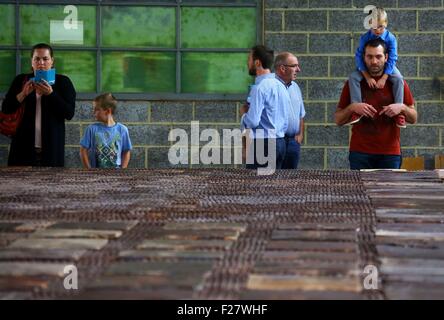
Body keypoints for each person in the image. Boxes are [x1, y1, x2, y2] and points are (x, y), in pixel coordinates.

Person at [335, 39, 417, 170]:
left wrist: (401, 107)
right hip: (359, 153)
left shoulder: (398, 83)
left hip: (390, 153)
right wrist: (353, 107)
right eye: (370, 57)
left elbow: (413, 118)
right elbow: (338, 120)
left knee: (389, 190)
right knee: (358, 190)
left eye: (378, 56)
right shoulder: (353, 83)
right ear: (363, 58)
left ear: (386, 57)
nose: (374, 61)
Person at [1, 43, 76, 166]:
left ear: (52, 61)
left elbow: (69, 113)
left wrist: (51, 94)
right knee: (20, 184)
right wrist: (23, 94)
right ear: (32, 62)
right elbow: (6, 109)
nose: (41, 63)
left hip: (51, 149)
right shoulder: (21, 80)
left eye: (45, 59)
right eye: (37, 59)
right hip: (22, 148)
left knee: (50, 184)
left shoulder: (63, 82)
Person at [347, 7, 406, 128]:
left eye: (381, 27)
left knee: (399, 78)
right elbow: (359, 57)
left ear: (386, 24)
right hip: (367, 66)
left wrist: (384, 77)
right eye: (374, 27)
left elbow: (393, 58)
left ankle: (399, 112)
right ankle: (357, 110)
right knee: (353, 77)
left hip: (387, 66)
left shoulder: (391, 38)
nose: (377, 30)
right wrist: (367, 76)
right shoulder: (365, 38)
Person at [240, 45, 291, 170]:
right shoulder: (281, 85)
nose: (247, 63)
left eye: (249, 59)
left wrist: (243, 115)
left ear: (257, 63)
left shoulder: (260, 88)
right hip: (280, 142)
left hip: (263, 145)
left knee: (255, 187)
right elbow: (287, 118)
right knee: (272, 187)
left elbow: (252, 121)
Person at [80, 93, 132, 169]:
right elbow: (83, 150)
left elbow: (126, 151)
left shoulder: (122, 130)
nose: (93, 112)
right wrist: (89, 170)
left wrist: (122, 171)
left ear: (108, 111)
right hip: (96, 175)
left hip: (115, 175)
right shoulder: (91, 129)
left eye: (97, 109)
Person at [274, 52, 305, 169]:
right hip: (275, 141)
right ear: (282, 68)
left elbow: (301, 114)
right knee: (270, 181)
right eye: (294, 66)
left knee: (290, 181)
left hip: (293, 142)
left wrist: (300, 135)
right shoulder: (270, 86)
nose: (298, 69)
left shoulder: (295, 87)